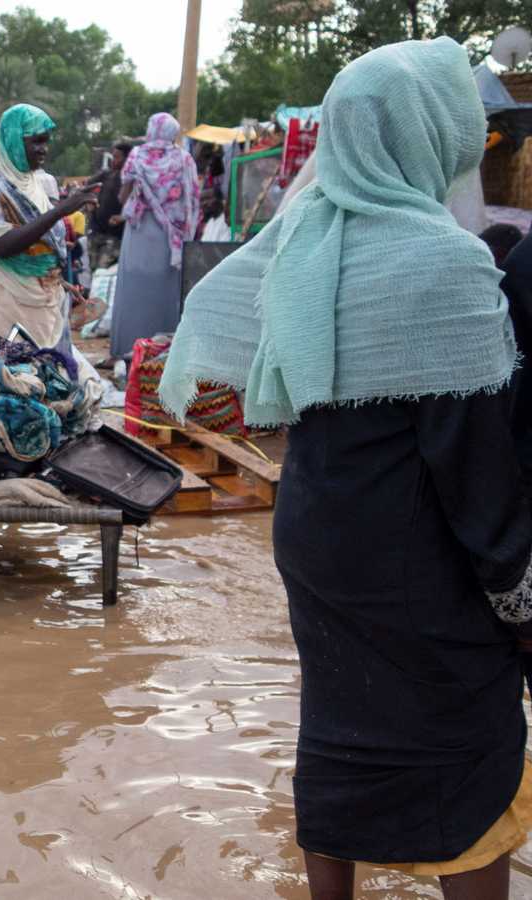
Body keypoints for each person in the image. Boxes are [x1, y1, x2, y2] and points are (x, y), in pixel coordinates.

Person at [162, 39, 532, 900]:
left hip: (319, 536)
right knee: (467, 741)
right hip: (416, 552)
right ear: (429, 132)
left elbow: (212, 334)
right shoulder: (444, 263)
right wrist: (520, 603)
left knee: (339, 726)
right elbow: (473, 477)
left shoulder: (303, 237)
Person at [0, 104, 98, 352]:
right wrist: (60, 211)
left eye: (46, 142)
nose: (44, 149)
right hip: (3, 306)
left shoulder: (34, 186)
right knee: (13, 379)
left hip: (43, 304)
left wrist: (60, 282)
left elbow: (41, 245)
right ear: (12, 141)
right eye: (36, 142)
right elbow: (2, 246)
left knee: (50, 380)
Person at [111, 112, 201, 359]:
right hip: (170, 238)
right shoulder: (184, 159)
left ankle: (127, 350)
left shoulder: (136, 156)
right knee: (167, 291)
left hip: (140, 232)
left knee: (133, 289)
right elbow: (193, 198)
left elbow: (122, 197)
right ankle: (165, 351)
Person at [88, 142, 133, 272]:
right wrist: (89, 202)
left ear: (127, 158)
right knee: (94, 272)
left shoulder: (132, 179)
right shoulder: (106, 174)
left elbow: (138, 206)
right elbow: (87, 185)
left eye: (117, 157)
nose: (114, 160)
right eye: (113, 156)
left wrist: (123, 217)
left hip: (115, 236)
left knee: (104, 272)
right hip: (96, 232)